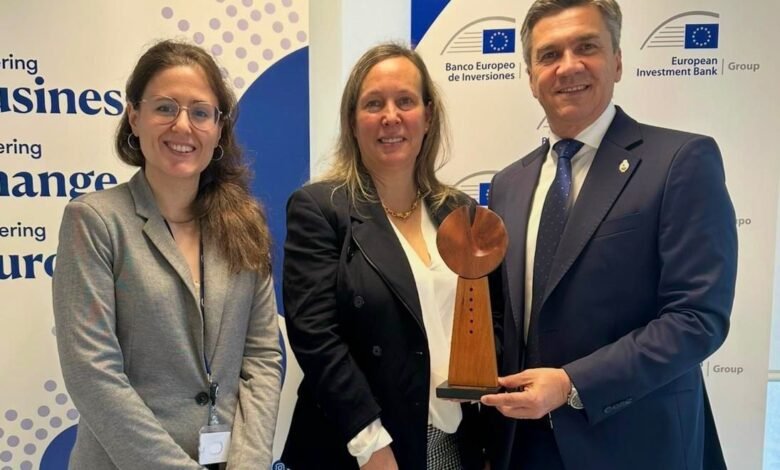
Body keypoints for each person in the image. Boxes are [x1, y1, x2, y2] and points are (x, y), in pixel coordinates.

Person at [480, 1, 737, 469]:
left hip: (635, 446)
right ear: (531, 76)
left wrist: (572, 384)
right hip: (523, 447)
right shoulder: (507, 185)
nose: (568, 67)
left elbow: (697, 318)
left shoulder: (680, 161)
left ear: (617, 61)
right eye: (549, 54)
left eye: (586, 47)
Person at [52, 40, 282, 469]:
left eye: (200, 112)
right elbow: (92, 373)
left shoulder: (245, 224)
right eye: (164, 108)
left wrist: (249, 462)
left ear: (219, 129)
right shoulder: (96, 222)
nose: (182, 126)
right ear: (134, 118)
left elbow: (262, 356)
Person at [281, 43, 484, 470]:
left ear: (428, 116)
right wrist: (370, 443)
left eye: (405, 101)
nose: (390, 116)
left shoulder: (461, 213)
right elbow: (315, 336)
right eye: (374, 104)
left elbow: (486, 327)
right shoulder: (320, 209)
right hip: (359, 446)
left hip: (451, 440)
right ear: (352, 122)